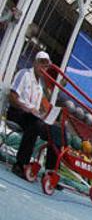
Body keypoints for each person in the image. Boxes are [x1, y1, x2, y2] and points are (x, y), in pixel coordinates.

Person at [6, 51, 56, 182]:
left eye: (46, 66)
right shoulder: (24, 74)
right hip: (17, 111)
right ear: (35, 62)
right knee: (35, 124)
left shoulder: (40, 86)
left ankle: (50, 173)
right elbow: (12, 97)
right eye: (41, 63)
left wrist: (43, 115)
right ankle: (20, 164)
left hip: (31, 116)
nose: (43, 68)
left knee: (55, 132)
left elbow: (37, 109)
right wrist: (28, 108)